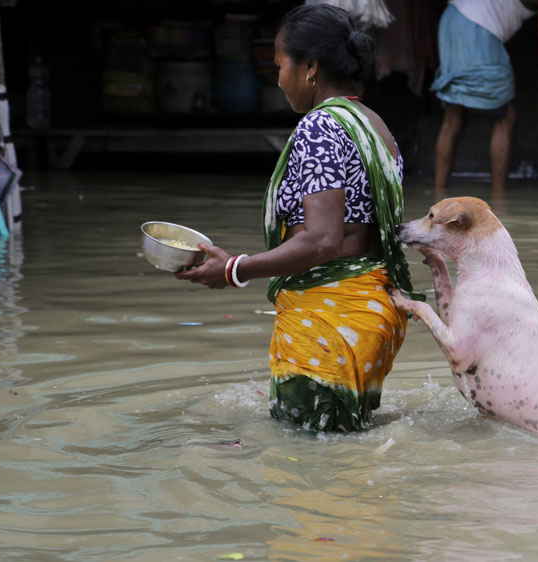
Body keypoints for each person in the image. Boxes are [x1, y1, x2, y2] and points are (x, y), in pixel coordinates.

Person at [175, 4, 422, 432]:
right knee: (347, 461)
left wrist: (235, 269)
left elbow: (322, 241)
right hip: (369, 313)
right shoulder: (374, 125)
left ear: (309, 67)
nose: (278, 78)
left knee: (305, 474)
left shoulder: (320, 127)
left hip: (330, 317)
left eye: (280, 65)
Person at [431, 0, 538, 191]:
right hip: (477, 28)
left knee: (453, 117)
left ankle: (437, 197)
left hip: (452, 19)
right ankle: (499, 201)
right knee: (505, 117)